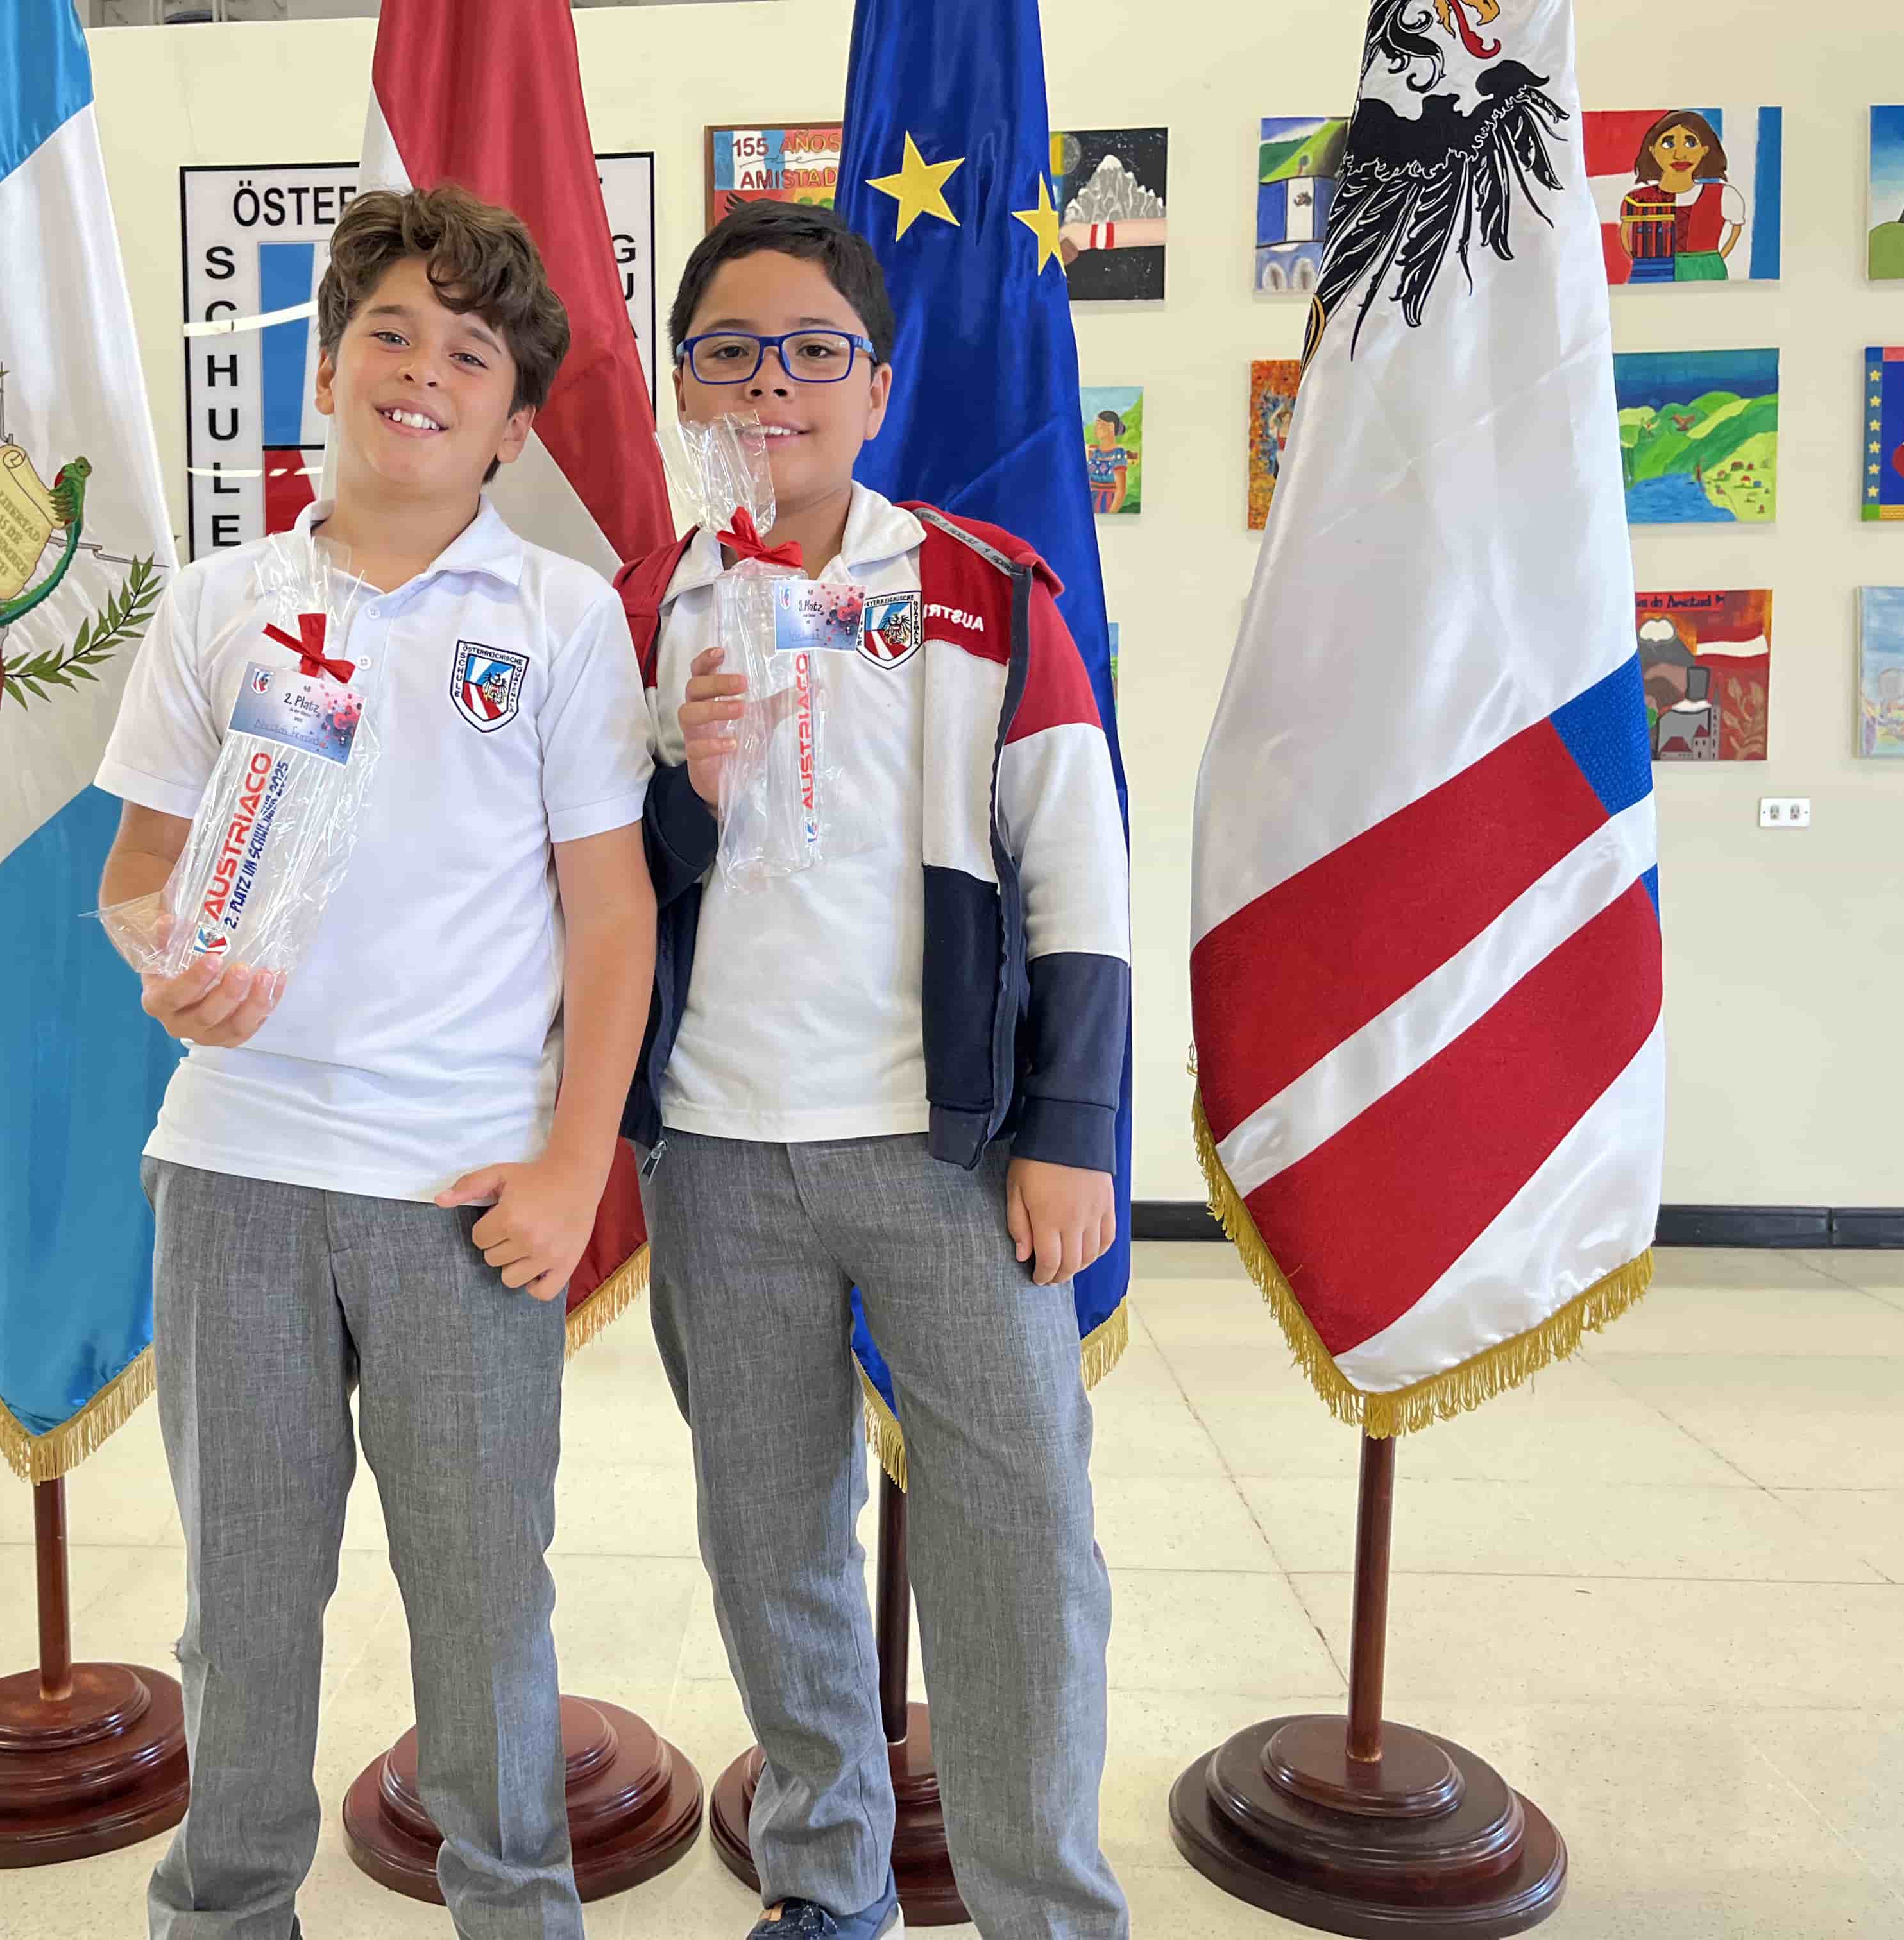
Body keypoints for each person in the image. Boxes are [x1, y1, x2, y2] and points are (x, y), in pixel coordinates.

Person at [94, 183, 656, 1940]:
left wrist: (574, 1167)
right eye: (389, 334)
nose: (422, 372)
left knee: (484, 1604)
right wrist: (170, 965)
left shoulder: (562, 617)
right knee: (246, 1602)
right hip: (238, 1173)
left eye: (468, 354)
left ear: (513, 420)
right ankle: (226, 1909)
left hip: (464, 1192)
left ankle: (516, 1907)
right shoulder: (219, 607)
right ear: (327, 369)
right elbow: (135, 880)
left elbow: (613, 917)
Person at [613, 199, 1132, 1940]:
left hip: (950, 1158)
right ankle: (825, 1888)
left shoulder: (984, 592)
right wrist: (680, 792)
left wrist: (1071, 1129)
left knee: (1021, 1540)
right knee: (772, 1544)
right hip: (718, 1156)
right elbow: (591, 889)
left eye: (814, 351)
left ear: (878, 386)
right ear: (686, 384)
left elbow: (1079, 873)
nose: (773, 385)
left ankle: (1043, 1903)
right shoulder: (642, 606)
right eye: (730, 352)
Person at [1619, 110, 1746, 284]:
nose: (1679, 155)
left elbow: (1736, 231)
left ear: (1705, 150)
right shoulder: (1636, 199)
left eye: (1691, 143)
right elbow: (1626, 237)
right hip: (1651, 271)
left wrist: (1712, 260)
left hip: (1704, 271)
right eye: (1668, 144)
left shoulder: (1723, 194)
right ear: (1653, 150)